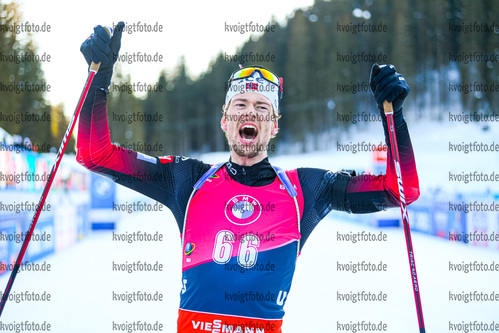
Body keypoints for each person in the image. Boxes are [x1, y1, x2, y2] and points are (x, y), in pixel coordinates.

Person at [78, 23, 420, 333]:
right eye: (240, 104)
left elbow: (399, 192)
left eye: (262, 107)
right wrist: (99, 79)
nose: (250, 111)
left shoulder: (306, 190)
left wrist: (395, 118)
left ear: (273, 125)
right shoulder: (186, 180)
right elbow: (95, 154)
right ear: (225, 121)